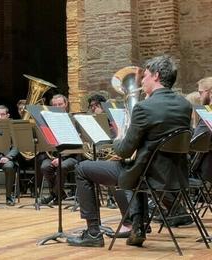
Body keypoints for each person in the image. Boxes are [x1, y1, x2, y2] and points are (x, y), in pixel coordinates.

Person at [67, 55, 192, 247]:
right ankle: (137, 226)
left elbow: (124, 151)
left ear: (156, 76)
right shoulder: (185, 105)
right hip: (175, 174)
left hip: (147, 175)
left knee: (83, 168)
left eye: (145, 76)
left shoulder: (144, 108)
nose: (142, 81)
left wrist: (119, 137)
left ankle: (92, 233)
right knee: (136, 164)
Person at [40, 94, 78, 205]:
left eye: (60, 104)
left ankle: (54, 194)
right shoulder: (48, 121)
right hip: (54, 155)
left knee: (62, 166)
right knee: (45, 166)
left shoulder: (73, 120)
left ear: (66, 105)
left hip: (72, 155)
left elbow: (75, 143)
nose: (57, 107)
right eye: (55, 105)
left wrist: (61, 157)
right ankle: (60, 194)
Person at [87, 93, 118, 209]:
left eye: (96, 105)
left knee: (110, 163)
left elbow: (117, 137)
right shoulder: (91, 120)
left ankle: (111, 198)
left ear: (103, 105)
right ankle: (94, 199)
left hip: (112, 152)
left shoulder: (112, 120)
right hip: (97, 151)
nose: (94, 108)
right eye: (92, 106)